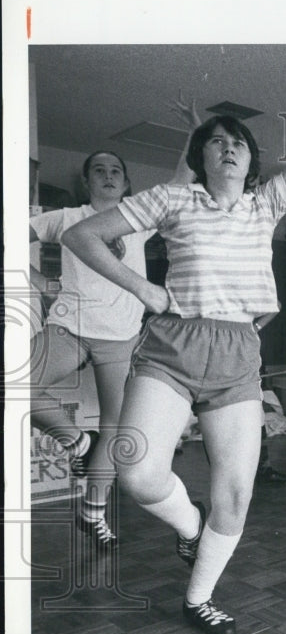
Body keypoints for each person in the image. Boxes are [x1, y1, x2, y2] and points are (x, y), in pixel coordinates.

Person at [62, 44, 286, 634]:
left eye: (239, 141)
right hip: (171, 346)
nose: (229, 147)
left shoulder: (265, 205)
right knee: (137, 471)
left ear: (251, 161)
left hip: (238, 353)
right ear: (200, 155)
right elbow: (86, 236)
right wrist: (144, 289)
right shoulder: (172, 199)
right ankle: (189, 529)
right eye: (216, 140)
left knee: (237, 494)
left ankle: (199, 597)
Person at [29, 100, 201, 549]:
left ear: (125, 184)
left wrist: (196, 131)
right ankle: (77, 443)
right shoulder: (64, 219)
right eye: (98, 170)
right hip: (68, 327)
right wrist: (43, 282)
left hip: (121, 338)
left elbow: (182, 181)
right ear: (87, 181)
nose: (107, 175)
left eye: (115, 171)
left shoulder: (138, 220)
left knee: (116, 427)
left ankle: (94, 511)